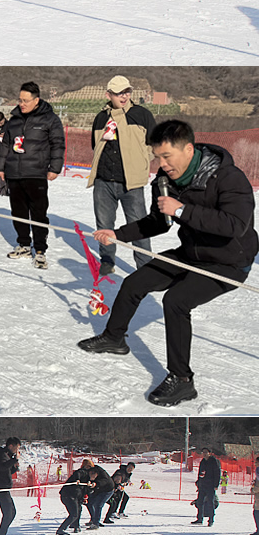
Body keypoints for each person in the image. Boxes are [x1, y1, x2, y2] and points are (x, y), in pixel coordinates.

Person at [79, 117, 259, 404]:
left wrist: (182, 210)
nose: (161, 164)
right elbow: (158, 223)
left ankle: (182, 380)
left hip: (228, 262)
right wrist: (117, 234)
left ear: (188, 150)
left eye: (167, 156)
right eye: (157, 157)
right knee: (135, 282)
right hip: (191, 253)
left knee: (176, 301)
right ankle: (114, 338)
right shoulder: (165, 182)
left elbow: (235, 225)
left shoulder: (228, 178)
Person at [87, 77, 155, 279]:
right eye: (119, 93)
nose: (124, 96)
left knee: (139, 227)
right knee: (104, 226)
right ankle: (107, 262)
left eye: (127, 91)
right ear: (109, 95)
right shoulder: (101, 118)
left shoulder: (141, 114)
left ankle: (145, 267)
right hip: (104, 182)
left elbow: (154, 142)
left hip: (132, 183)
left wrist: (142, 161)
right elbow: (95, 145)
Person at [0, 82, 65, 268]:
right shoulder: (14, 120)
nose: (22, 104)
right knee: (18, 212)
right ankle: (23, 245)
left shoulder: (50, 119)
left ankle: (41, 250)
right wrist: (0, 168)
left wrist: (55, 167)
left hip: (36, 173)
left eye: (26, 100)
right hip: (14, 173)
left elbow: (58, 143)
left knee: (38, 213)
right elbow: (5, 145)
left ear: (36, 100)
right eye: (20, 100)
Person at [193, 450, 222, 527]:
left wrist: (216, 485)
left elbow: (217, 473)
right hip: (203, 485)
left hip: (210, 485)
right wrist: (198, 483)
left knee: (210, 502)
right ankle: (199, 519)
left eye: (206, 452)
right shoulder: (203, 461)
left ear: (209, 453)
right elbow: (200, 473)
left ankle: (211, 520)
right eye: (203, 452)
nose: (204, 454)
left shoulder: (214, 461)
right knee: (200, 502)